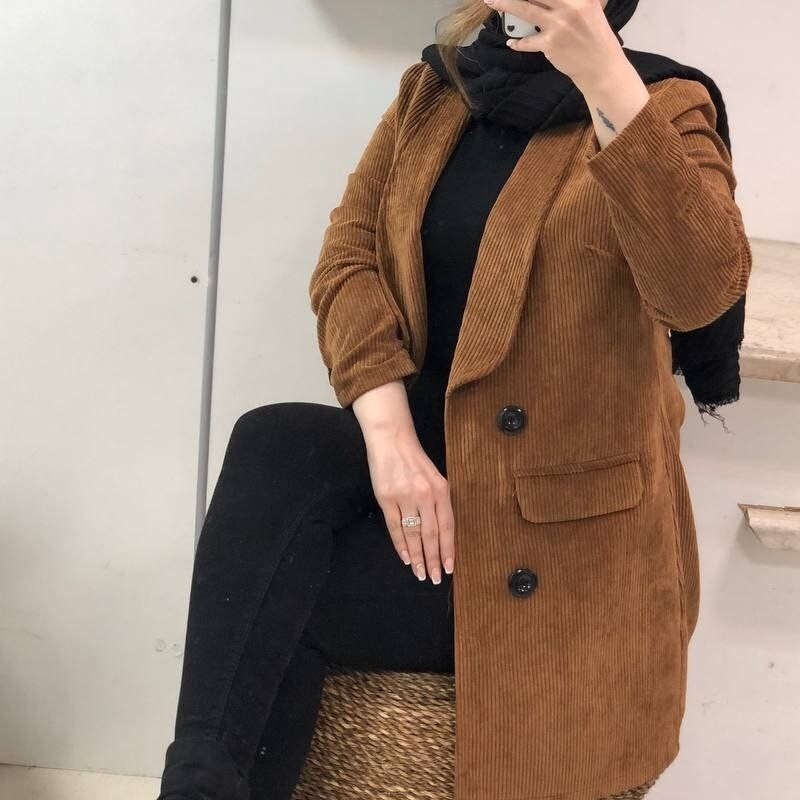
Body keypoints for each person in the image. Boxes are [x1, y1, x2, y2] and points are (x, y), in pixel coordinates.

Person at [157, 2, 751, 799]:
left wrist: (605, 76)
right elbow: (349, 259)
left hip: (557, 549)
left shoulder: (665, 104)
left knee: (271, 600)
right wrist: (390, 440)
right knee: (273, 443)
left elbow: (701, 292)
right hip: (432, 486)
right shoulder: (438, 90)